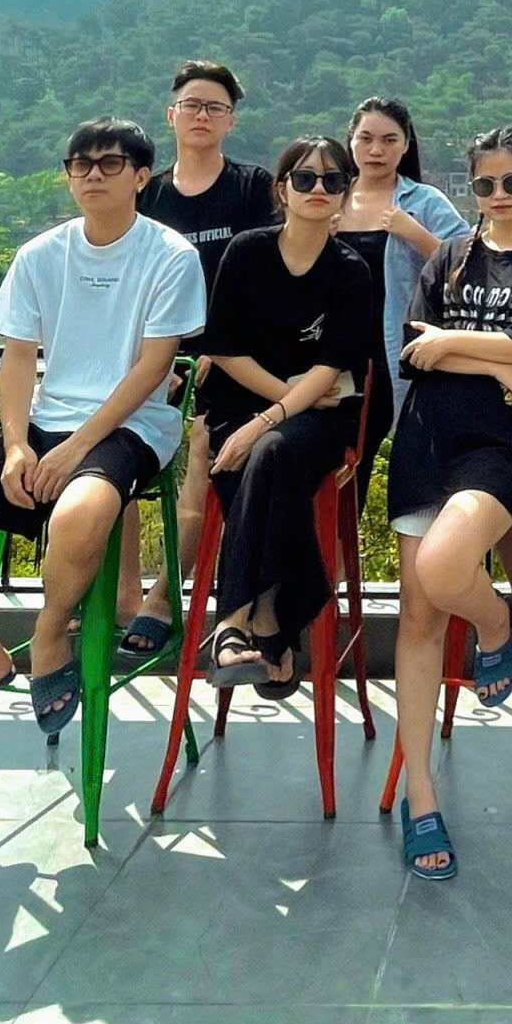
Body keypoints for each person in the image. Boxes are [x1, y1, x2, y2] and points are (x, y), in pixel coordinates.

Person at [0, 118, 205, 751]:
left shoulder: (170, 256)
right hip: (42, 421)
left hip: (130, 425)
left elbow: (153, 366)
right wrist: (16, 445)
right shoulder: (40, 254)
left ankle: (50, 635)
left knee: (80, 513)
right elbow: (19, 356)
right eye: (80, 164)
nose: (92, 175)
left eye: (110, 164)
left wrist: (77, 447)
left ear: (142, 176)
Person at [385, 126, 512, 879]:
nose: (498, 196)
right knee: (419, 617)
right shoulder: (449, 255)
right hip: (427, 437)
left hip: (504, 446)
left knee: (442, 568)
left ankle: (497, 622)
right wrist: (501, 362)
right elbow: (415, 348)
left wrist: (458, 345)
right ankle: (422, 798)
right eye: (484, 185)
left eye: (511, 183)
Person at [111, 60, 279, 659]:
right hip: (155, 355)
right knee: (112, 448)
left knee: (205, 455)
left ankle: (164, 598)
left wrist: (217, 346)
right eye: (191, 105)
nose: (201, 116)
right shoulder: (148, 193)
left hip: (230, 358)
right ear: (171, 115)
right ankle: (120, 596)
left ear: (230, 120)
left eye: (215, 107)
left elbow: (267, 273)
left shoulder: (253, 188)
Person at [198, 136, 374, 696]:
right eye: (304, 178)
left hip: (319, 422)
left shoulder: (350, 270)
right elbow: (225, 348)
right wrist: (279, 405)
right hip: (244, 405)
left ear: (345, 192)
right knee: (268, 457)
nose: (318, 188)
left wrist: (267, 420)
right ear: (282, 190)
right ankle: (273, 619)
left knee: (269, 450)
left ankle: (233, 623)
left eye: (332, 180)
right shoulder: (247, 252)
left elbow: (331, 369)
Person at [339, 97, 471, 499]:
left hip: (396, 353)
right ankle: (337, 543)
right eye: (366, 139)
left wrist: (414, 233)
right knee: (337, 465)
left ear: (406, 144)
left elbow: (468, 269)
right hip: (332, 353)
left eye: (389, 140)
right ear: (350, 140)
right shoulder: (330, 197)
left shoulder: (424, 201)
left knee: (408, 463)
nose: (376, 150)